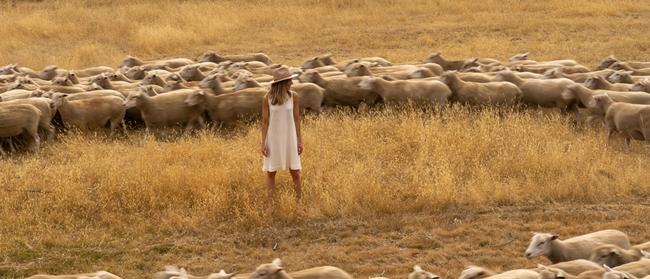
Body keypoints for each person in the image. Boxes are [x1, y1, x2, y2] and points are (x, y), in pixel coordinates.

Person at [261, 65, 303, 208]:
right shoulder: (267, 98)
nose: (291, 83)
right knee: (271, 172)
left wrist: (299, 140)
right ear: (282, 83)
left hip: (289, 138)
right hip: (273, 138)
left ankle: (299, 204)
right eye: (289, 80)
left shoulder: (294, 97)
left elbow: (297, 119)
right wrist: (263, 142)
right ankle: (270, 205)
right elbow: (265, 122)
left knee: (295, 172)